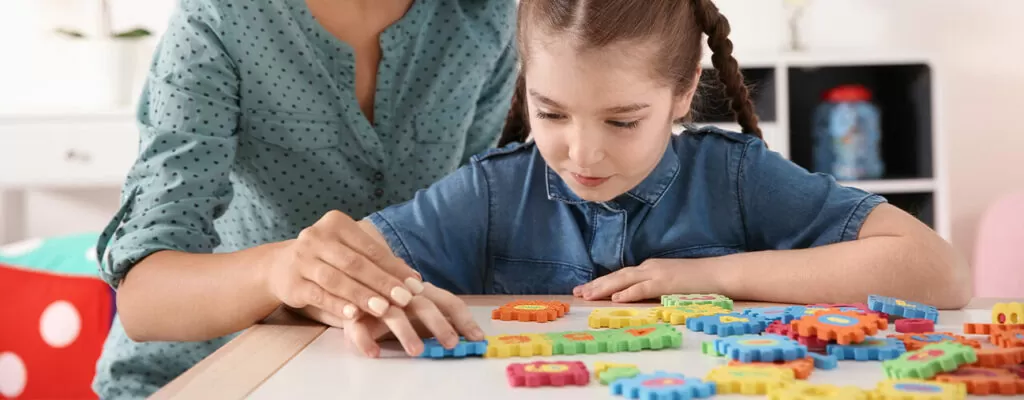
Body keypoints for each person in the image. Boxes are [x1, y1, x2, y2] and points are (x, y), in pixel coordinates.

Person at [334, 0, 972, 357]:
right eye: (551, 112)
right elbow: (334, 271)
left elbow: (939, 272)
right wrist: (369, 298)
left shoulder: (736, 179)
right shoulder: (493, 193)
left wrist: (712, 275)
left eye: (621, 120)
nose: (582, 153)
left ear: (684, 90)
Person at [92, 0, 516, 397]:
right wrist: (280, 272)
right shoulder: (222, 14)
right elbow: (143, 299)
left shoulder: (485, 17)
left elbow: (467, 215)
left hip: (384, 373)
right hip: (196, 376)